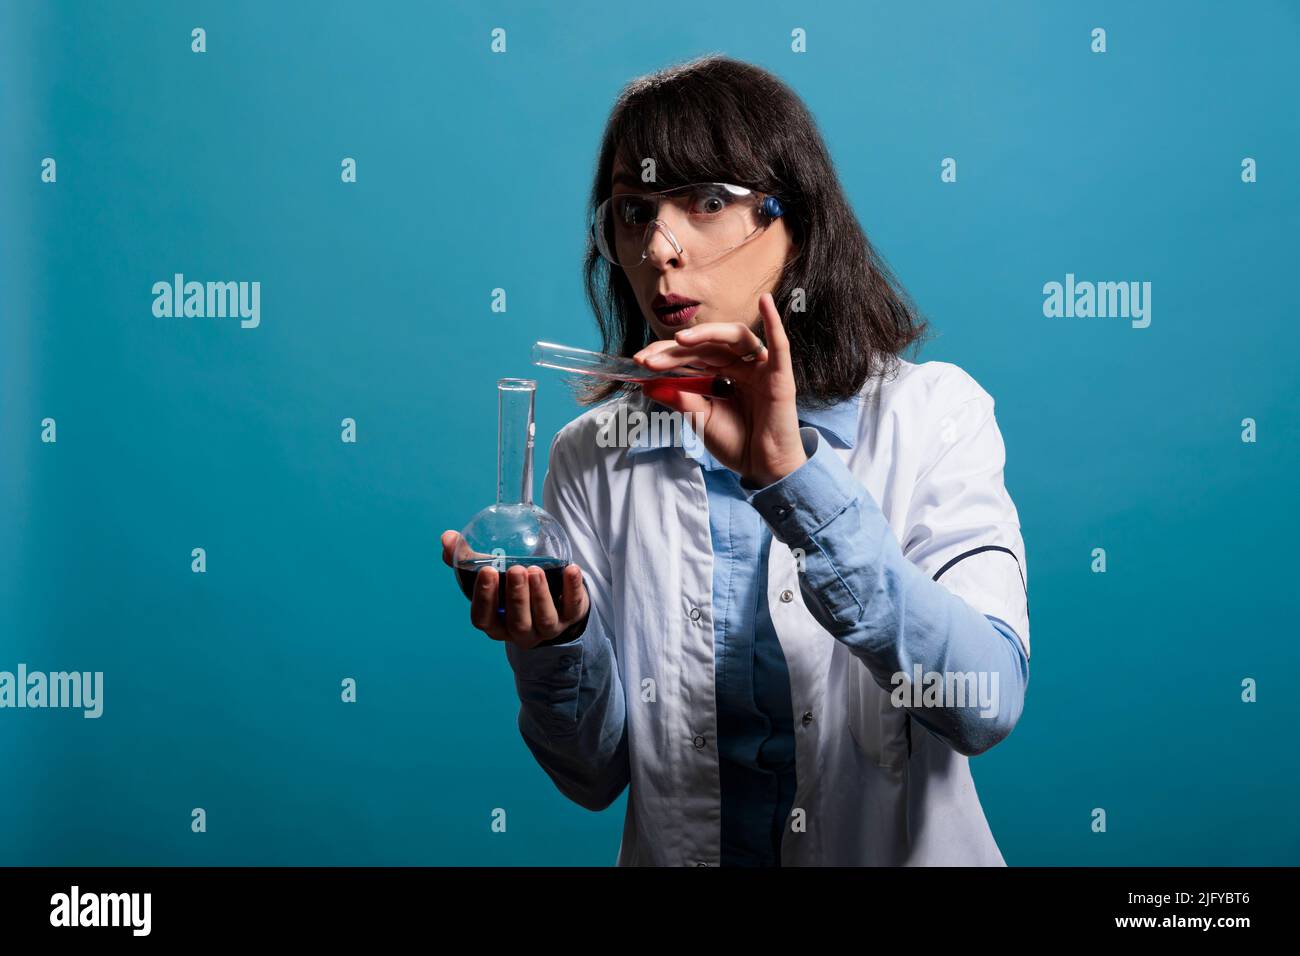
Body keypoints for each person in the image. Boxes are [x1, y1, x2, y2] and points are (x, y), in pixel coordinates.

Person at [440, 54, 1031, 866]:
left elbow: (985, 704)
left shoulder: (935, 418)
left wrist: (793, 477)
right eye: (633, 211)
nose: (660, 246)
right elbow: (590, 775)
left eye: (709, 200)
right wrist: (557, 642)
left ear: (797, 220)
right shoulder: (594, 457)